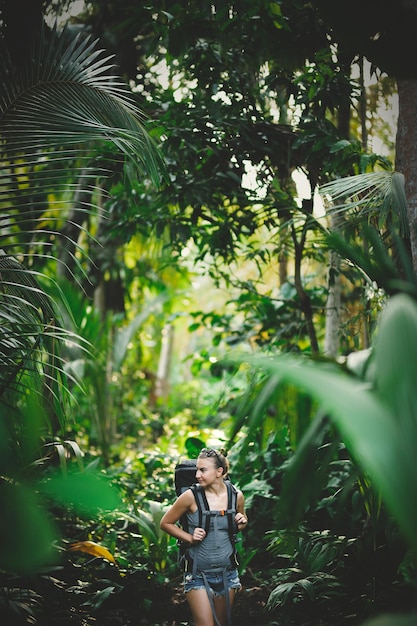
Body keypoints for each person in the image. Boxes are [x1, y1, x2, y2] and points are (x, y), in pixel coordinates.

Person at [160, 448, 248, 626]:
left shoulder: (236, 496)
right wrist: (190, 537)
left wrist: (242, 520)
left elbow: (238, 526)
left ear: (219, 472)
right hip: (197, 574)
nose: (197, 475)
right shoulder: (190, 497)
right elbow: (165, 523)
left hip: (227, 574)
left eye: (203, 470)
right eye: (197, 470)